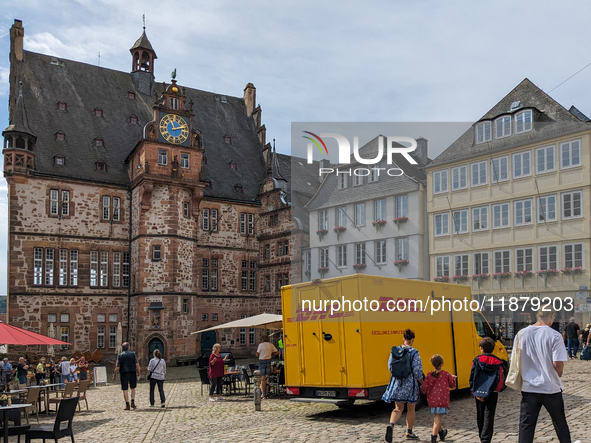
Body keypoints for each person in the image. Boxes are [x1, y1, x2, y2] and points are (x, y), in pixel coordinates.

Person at [517, 308, 581, 443]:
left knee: (526, 426)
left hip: (529, 387)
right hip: (550, 387)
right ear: (552, 316)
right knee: (559, 423)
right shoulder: (554, 335)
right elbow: (557, 363)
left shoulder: (521, 334)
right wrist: (559, 372)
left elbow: (517, 360)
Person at [383, 329, 424, 442]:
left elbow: (390, 367)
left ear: (403, 338)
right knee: (411, 408)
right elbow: (417, 371)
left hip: (397, 383)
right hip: (409, 384)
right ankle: (409, 432)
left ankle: (391, 425)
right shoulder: (414, 352)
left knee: (398, 408)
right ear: (412, 340)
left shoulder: (395, 351)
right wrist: (422, 382)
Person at [469, 337, 505, 443]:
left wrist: (473, 391)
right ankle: (486, 438)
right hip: (492, 392)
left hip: (479, 392)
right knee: (489, 415)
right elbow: (500, 378)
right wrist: (497, 389)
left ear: (481, 348)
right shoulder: (498, 362)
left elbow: (472, 376)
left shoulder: (476, 360)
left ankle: (481, 436)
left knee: (480, 414)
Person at [420, 354, 456, 443]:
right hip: (442, 400)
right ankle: (434, 437)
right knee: (437, 419)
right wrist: (452, 378)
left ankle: (442, 433)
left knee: (437, 417)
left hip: (432, 401)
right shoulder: (446, 374)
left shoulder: (429, 375)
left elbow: (424, 389)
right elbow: (452, 385)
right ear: (442, 363)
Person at [113, 342, 141, 410]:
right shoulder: (133, 354)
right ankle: (132, 402)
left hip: (124, 373)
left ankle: (127, 404)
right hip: (132, 372)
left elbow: (117, 367)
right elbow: (137, 364)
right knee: (133, 388)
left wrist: (115, 375)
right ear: (128, 347)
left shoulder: (120, 356)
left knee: (125, 389)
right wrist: (139, 372)